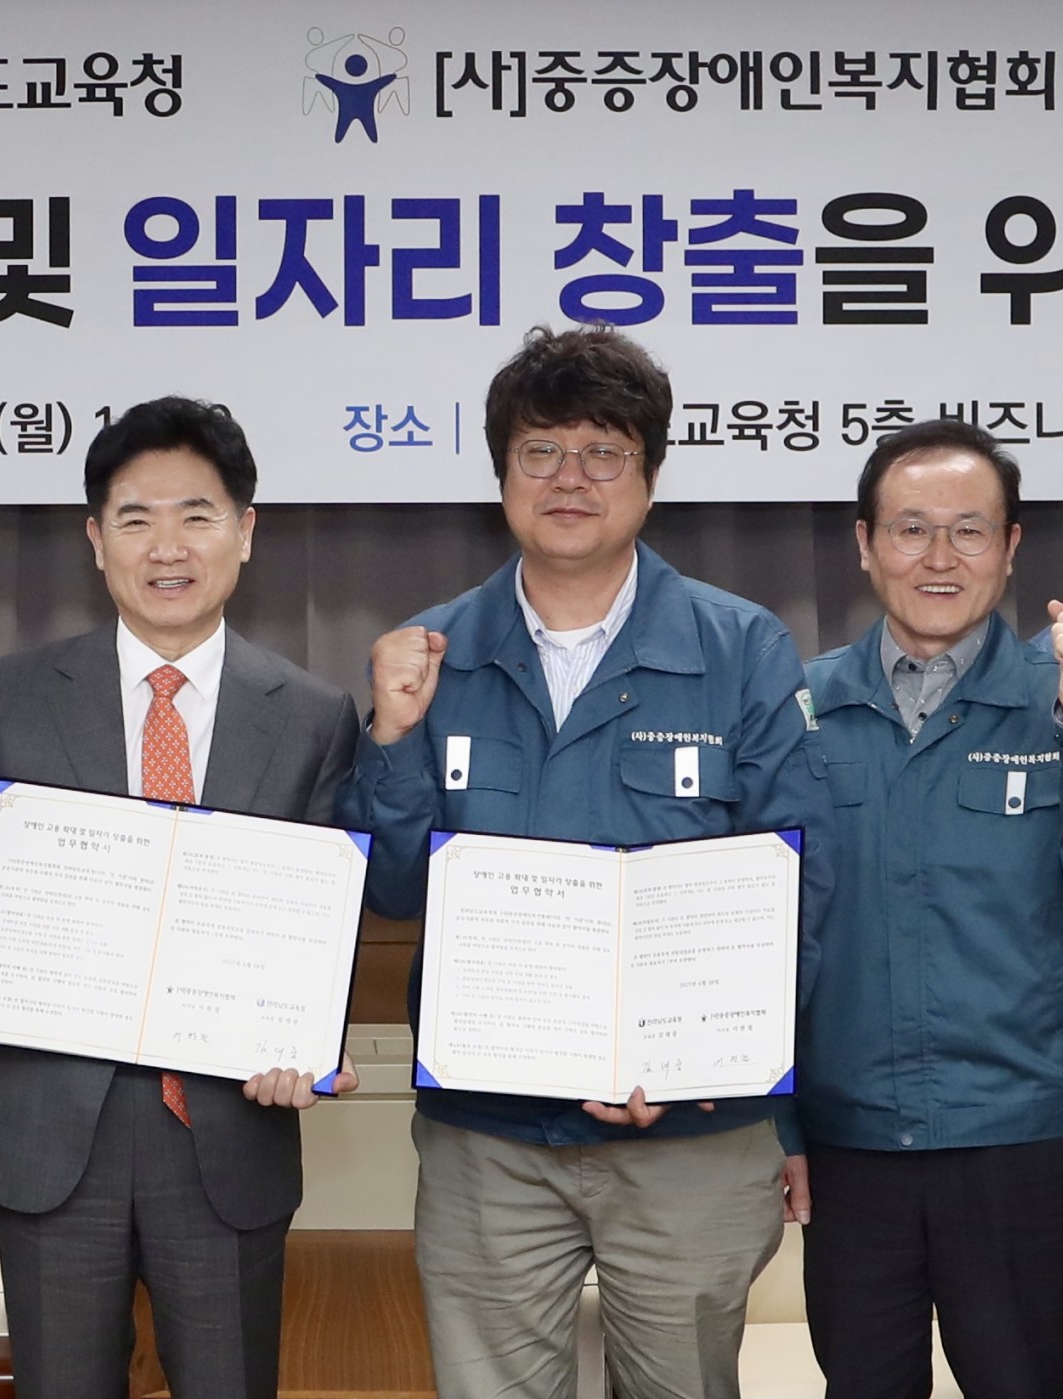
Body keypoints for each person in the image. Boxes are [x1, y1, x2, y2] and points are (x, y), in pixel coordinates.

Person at [343, 325, 830, 1399]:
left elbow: (800, 893)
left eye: (604, 451)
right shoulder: (426, 655)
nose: (570, 478)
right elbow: (388, 888)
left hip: (692, 1135)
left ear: (650, 477)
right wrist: (391, 739)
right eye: (541, 451)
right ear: (500, 475)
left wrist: (711, 1070)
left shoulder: (741, 647)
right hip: (490, 1138)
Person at [0, 396, 368, 1399]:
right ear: (96, 540)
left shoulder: (314, 717)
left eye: (197, 514)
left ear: (245, 531)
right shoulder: (14, 692)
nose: (167, 546)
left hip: (227, 1135)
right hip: (52, 1135)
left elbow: (322, 922)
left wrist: (310, 1038)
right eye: (136, 518)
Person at [794, 419, 1063, 1399]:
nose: (938, 557)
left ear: (1009, 549)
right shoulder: (800, 709)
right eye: (911, 528)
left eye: (968, 531)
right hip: (851, 1139)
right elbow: (765, 938)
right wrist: (779, 1123)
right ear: (864, 543)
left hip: (1022, 1137)